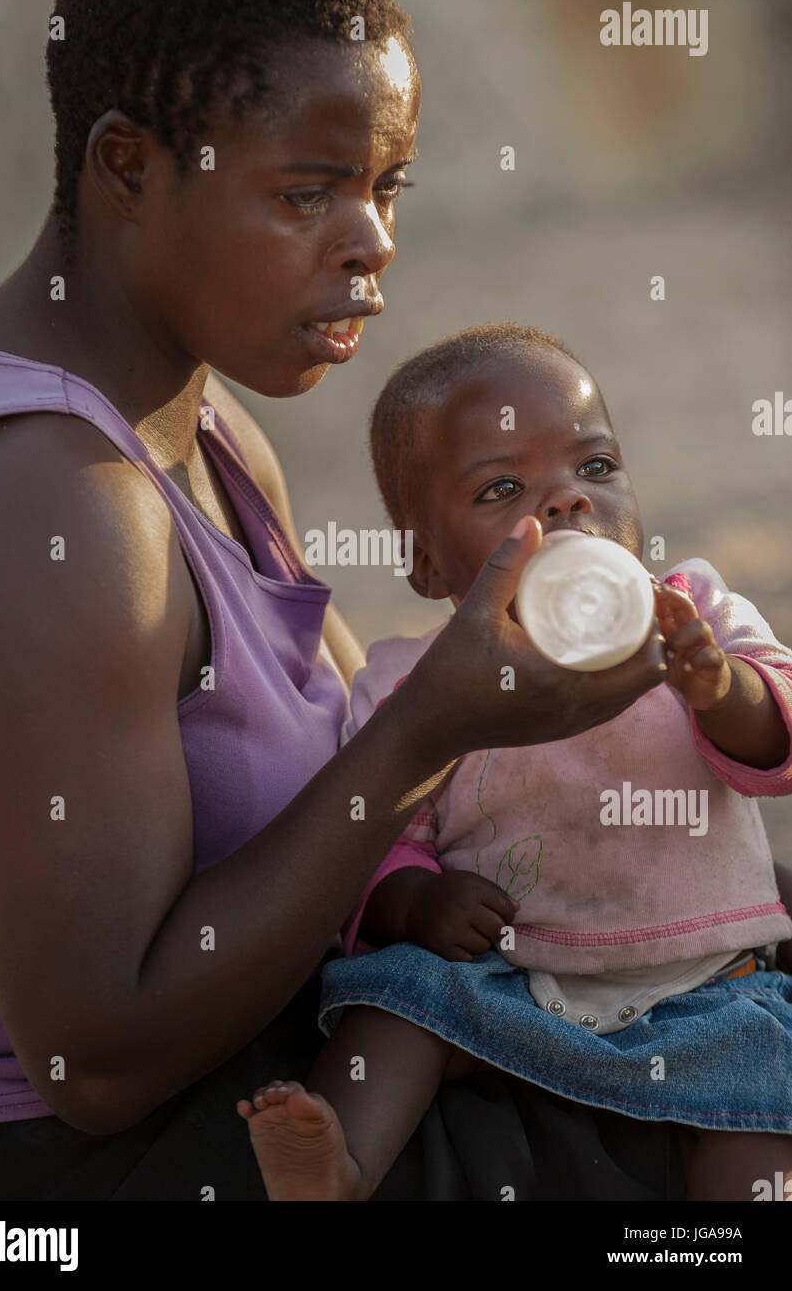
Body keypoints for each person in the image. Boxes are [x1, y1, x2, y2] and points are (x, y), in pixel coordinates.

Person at [0, 0, 718, 1202]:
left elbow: (370, 731)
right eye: (306, 193)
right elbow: (94, 1059)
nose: (373, 247)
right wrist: (434, 734)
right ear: (127, 168)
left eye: (384, 187)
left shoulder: (204, 422)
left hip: (269, 1069)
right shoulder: (50, 506)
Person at [238, 322, 792, 1202]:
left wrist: (717, 689)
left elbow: (778, 741)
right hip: (508, 983)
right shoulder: (409, 684)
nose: (569, 502)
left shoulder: (693, 611)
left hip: (702, 990)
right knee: (393, 999)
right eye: (504, 488)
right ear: (425, 565)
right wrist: (416, 898)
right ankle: (337, 1164)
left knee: (757, 1117)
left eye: (596, 468)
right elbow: (379, 839)